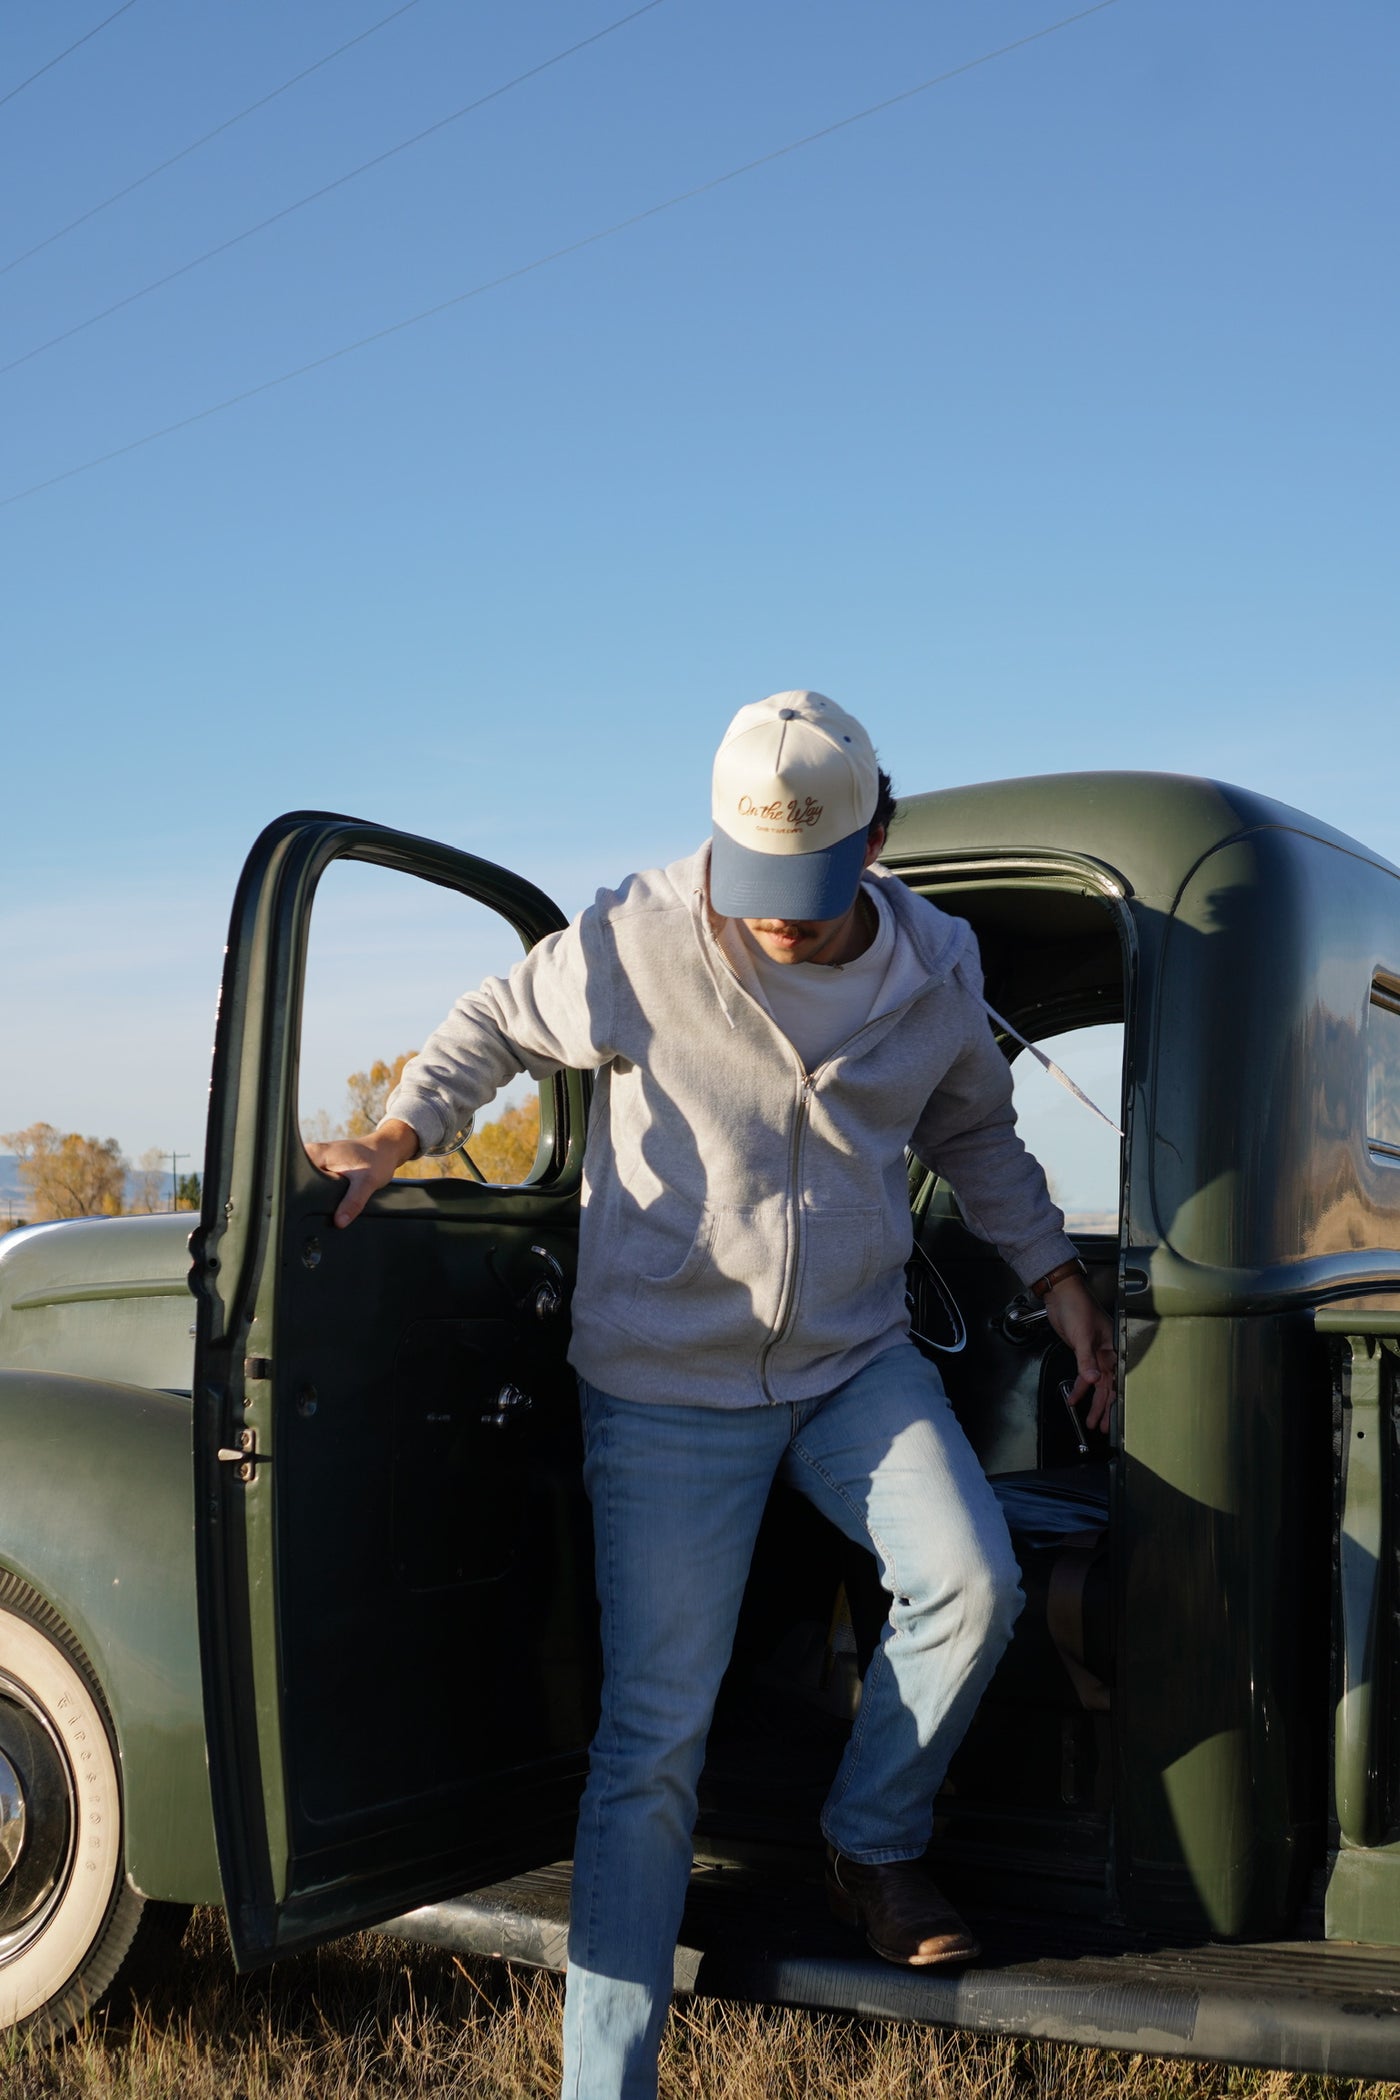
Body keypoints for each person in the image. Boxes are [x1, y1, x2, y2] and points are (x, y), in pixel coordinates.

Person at [309, 690, 1117, 2100]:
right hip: (668, 1384)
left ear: (878, 836)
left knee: (974, 1581)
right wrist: (397, 1134)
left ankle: (870, 1839)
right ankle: (604, 2085)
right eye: (757, 889)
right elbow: (494, 1020)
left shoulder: (936, 968)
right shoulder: (639, 939)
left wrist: (1062, 1286)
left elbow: (977, 1136)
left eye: (807, 891)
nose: (779, 922)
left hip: (851, 1362)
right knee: (652, 1746)